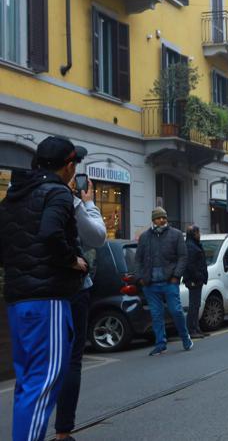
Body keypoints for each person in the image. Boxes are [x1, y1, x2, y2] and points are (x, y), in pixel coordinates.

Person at [0, 136, 89, 441]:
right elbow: (52, 233)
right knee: (45, 381)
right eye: (74, 165)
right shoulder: (58, 193)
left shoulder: (14, 195)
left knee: (28, 384)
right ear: (67, 166)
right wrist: (73, 261)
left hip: (17, 299)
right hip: (47, 299)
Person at [55, 175, 107, 441]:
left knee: (40, 364)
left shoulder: (22, 194)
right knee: (70, 360)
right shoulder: (69, 201)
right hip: (72, 288)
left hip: (33, 291)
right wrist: (88, 204)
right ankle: (63, 432)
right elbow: (97, 237)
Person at [135, 207, 193, 355]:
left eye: (164, 218)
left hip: (169, 282)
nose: (162, 220)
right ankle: (161, 343)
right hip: (150, 284)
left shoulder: (176, 235)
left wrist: (176, 276)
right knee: (156, 315)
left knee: (176, 311)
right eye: (158, 218)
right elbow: (138, 259)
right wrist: (140, 278)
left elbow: (183, 257)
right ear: (153, 220)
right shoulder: (144, 237)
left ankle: (185, 338)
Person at [183, 225, 209, 339]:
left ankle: (196, 328)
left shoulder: (193, 245)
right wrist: (199, 276)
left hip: (196, 279)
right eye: (198, 233)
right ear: (194, 234)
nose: (200, 235)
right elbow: (191, 265)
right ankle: (191, 329)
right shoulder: (191, 247)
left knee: (196, 305)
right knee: (194, 306)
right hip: (194, 280)